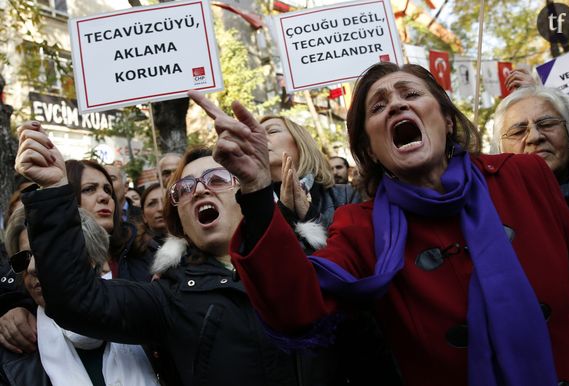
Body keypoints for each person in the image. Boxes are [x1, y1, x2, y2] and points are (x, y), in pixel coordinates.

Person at [188, 62, 569, 386]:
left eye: (410, 94)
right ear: (370, 149)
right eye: (378, 107)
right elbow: (296, 308)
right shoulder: (361, 227)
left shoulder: (525, 175)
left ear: (445, 118)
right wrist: (256, 191)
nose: (395, 106)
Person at [14, 136, 348, 386]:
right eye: (185, 188)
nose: (201, 190)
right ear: (180, 221)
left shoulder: (309, 263)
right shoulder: (167, 296)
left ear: (243, 194)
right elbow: (76, 300)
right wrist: (54, 193)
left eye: (216, 180)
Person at [0, 157, 155, 356]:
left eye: (108, 190)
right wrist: (14, 311)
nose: (104, 197)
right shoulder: (27, 283)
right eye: (89, 189)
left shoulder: (145, 252)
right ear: (62, 197)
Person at [0, 207, 159, 386]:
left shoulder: (144, 319)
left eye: (45, 254)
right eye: (24, 258)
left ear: (90, 259)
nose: (32, 268)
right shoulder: (12, 352)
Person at [261, 115, 360, 252]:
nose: (260, 138)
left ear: (300, 142)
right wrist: (284, 213)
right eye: (256, 135)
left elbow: (357, 253)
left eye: (272, 131)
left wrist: (310, 215)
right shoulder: (252, 208)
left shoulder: (346, 195)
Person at [491, 86, 569, 218]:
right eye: (518, 132)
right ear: (500, 149)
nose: (534, 137)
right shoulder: (489, 211)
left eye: (547, 124)